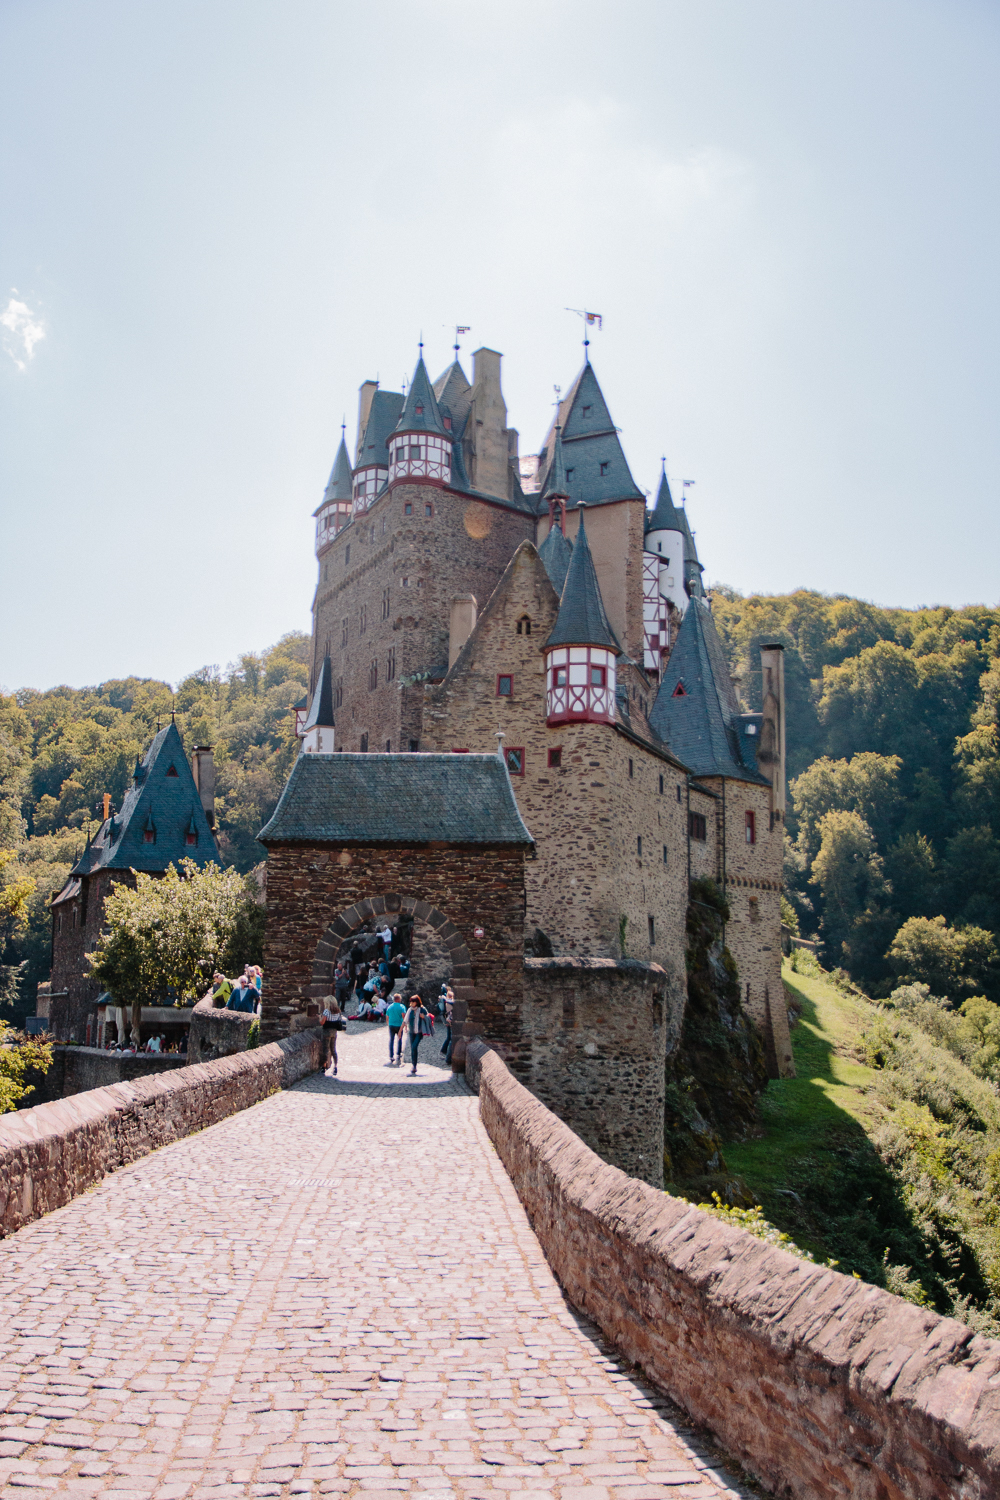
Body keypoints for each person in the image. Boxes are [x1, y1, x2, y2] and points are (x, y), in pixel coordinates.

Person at [404, 994, 432, 1076]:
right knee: (413, 1049)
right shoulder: (410, 1010)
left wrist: (424, 1017)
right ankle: (414, 1066)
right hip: (412, 1032)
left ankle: (414, 1065)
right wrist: (403, 1028)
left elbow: (429, 1018)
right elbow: (406, 1020)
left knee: (414, 1046)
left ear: (417, 1002)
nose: (412, 1003)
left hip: (419, 1032)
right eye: (411, 1002)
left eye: (413, 1002)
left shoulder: (422, 1009)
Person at [320, 997, 343, 1076]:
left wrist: (319, 1017)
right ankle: (335, 1066)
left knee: (326, 1049)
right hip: (334, 1032)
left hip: (327, 1032)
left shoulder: (326, 1011)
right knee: (333, 1049)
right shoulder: (338, 1011)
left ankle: (324, 1066)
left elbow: (322, 1022)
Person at [385, 994, 405, 1066]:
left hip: (391, 1025)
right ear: (399, 999)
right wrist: (405, 1025)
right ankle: (398, 1054)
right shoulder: (402, 1007)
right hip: (399, 1025)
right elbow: (403, 1016)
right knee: (399, 1039)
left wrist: (388, 1023)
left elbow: (387, 1016)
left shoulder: (389, 1007)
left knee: (391, 1040)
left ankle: (391, 1055)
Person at [440, 986, 454, 1058]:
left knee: (449, 1037)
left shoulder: (446, 1002)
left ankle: (444, 1051)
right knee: (450, 1038)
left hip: (448, 1020)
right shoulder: (449, 1002)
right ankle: (446, 1053)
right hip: (449, 1021)